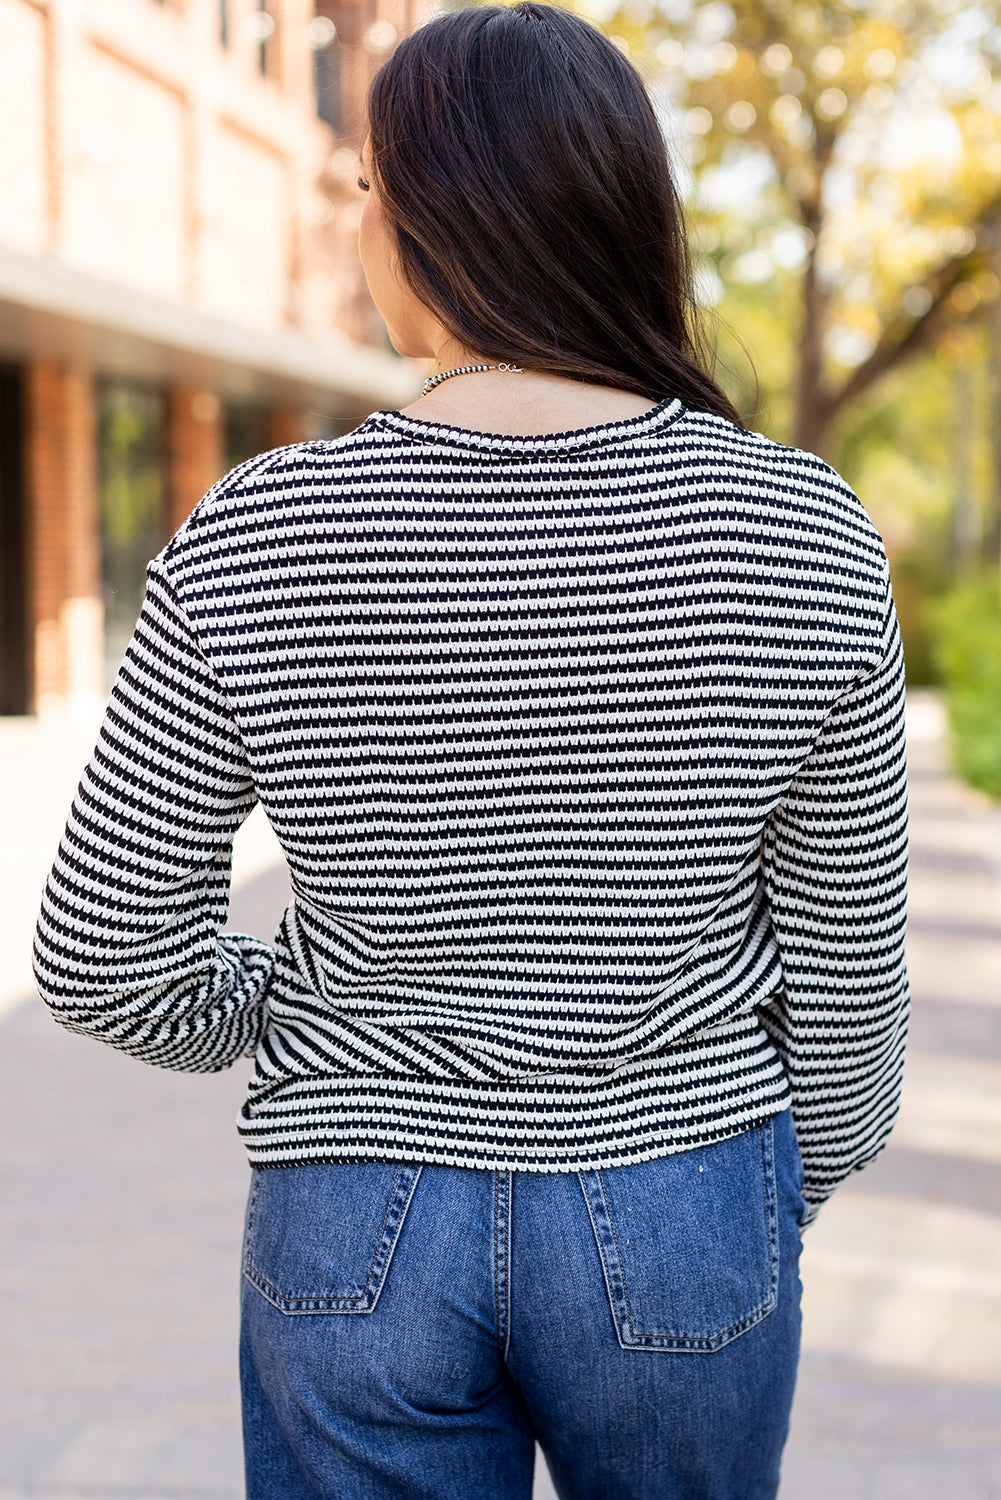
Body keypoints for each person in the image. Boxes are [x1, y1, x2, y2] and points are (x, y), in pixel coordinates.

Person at [33, 4, 909, 1497]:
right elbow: (844, 980)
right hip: (683, 1185)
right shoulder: (800, 533)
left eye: (365, 185)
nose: (351, 222)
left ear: (442, 218)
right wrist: (769, 1181)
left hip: (354, 1210)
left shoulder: (258, 533)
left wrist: (315, 1017)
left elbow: (100, 958)